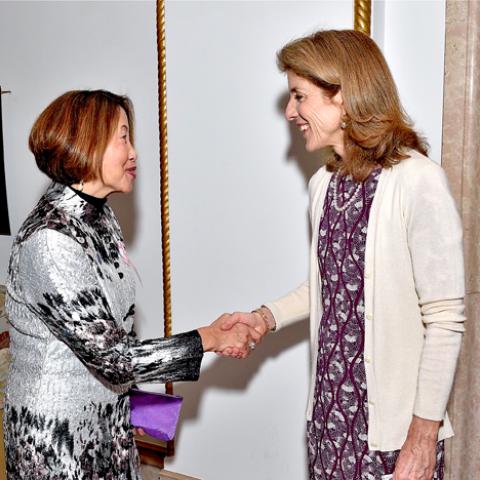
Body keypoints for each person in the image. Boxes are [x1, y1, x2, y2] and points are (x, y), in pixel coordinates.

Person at [221, 30, 465, 480]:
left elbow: (445, 317)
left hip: (394, 439)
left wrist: (422, 437)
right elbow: (329, 286)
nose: (291, 112)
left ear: (345, 96)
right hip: (330, 423)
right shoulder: (323, 186)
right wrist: (265, 317)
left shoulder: (417, 181)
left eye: (299, 96)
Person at [3, 90, 253, 480]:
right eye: (123, 137)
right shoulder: (51, 241)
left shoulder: (98, 217)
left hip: (107, 422)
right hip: (58, 439)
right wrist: (209, 337)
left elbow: (111, 336)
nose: (134, 152)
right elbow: (114, 358)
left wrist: (132, 408)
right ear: (85, 142)